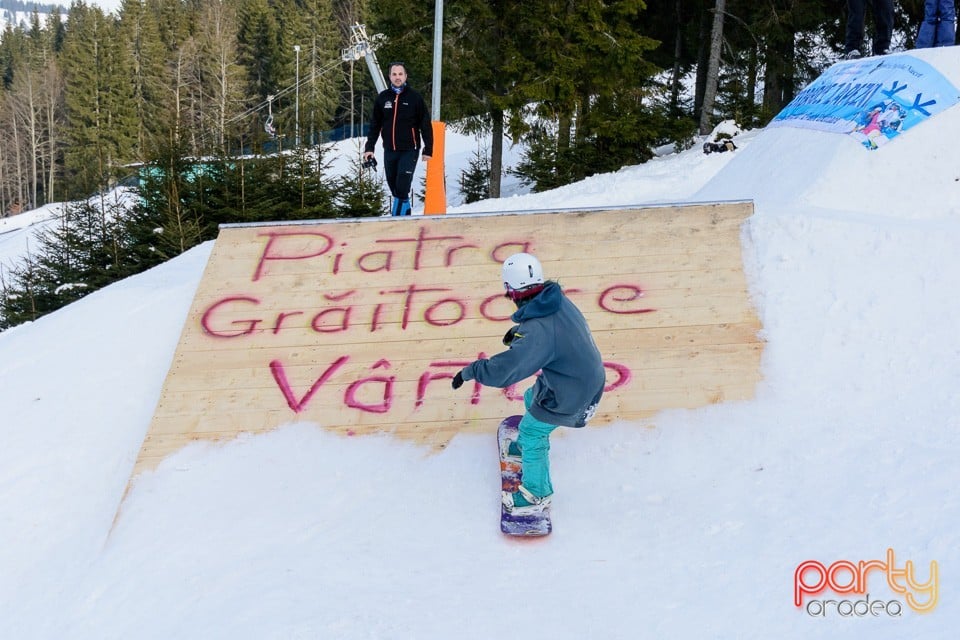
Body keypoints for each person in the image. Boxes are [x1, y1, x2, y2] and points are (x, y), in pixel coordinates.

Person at [451, 252, 606, 516]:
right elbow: (551, 333)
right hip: (577, 376)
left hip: (574, 392)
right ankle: (526, 445)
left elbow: (506, 370)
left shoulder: (539, 330)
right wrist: (520, 333)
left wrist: (471, 371)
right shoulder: (556, 300)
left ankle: (538, 494)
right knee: (531, 396)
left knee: (533, 433)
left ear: (510, 290)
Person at [363, 62, 433, 217]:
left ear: (406, 76)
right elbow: (375, 125)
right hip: (390, 150)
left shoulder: (415, 98)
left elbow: (425, 124)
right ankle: (405, 216)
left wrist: (428, 148)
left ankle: (396, 219)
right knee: (394, 187)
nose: (397, 77)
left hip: (410, 149)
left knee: (402, 186)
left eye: (400, 74)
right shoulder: (383, 98)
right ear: (389, 77)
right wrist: (369, 148)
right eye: (394, 74)